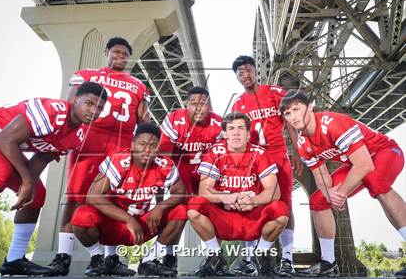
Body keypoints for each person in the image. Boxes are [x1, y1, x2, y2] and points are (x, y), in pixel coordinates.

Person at [49, 36, 150, 276]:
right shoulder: (87, 74)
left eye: (125, 54)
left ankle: (109, 259)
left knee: (113, 198)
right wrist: (61, 137)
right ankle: (63, 255)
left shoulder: (138, 84)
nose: (121, 57)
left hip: (121, 143)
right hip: (90, 137)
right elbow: (70, 105)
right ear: (106, 52)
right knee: (75, 195)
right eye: (116, 52)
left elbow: (143, 118)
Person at [280, 90, 406, 277]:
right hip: (356, 164)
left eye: (297, 109)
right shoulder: (303, 143)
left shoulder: (332, 124)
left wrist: (342, 193)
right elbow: (322, 177)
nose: (293, 116)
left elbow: (364, 164)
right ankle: (329, 263)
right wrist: (330, 194)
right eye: (287, 113)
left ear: (311, 107)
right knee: (318, 201)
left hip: (384, 152)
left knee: (376, 182)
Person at [0, 82, 107, 276]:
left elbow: (39, 160)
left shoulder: (76, 137)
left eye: (99, 108)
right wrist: (25, 181)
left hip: (2, 144)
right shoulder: (54, 110)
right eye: (89, 103)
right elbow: (4, 140)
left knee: (37, 194)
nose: (94, 110)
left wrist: (29, 185)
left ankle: (14, 259)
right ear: (75, 100)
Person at [71, 123, 187, 277]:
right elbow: (93, 196)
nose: (147, 150)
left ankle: (149, 261)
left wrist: (160, 207)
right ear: (132, 145)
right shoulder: (119, 161)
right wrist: (127, 219)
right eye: (142, 144)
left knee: (180, 211)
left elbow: (181, 192)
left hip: (142, 225)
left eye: (153, 146)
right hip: (113, 225)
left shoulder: (164, 164)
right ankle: (99, 259)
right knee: (82, 215)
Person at [187, 112, 290, 277]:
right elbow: (204, 189)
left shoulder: (259, 153)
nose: (236, 132)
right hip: (224, 217)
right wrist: (224, 197)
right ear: (225, 133)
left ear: (248, 134)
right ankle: (215, 256)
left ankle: (261, 253)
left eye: (241, 128)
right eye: (231, 128)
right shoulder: (215, 152)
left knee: (281, 210)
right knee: (194, 205)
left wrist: (253, 200)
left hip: (251, 217)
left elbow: (274, 191)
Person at [230, 55, 302, 276]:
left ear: (255, 71)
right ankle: (250, 260)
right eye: (240, 73)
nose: (245, 75)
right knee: (251, 205)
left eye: (248, 70)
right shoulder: (238, 103)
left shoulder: (274, 92)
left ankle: (287, 259)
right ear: (237, 77)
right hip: (254, 162)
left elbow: (290, 120)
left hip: (278, 156)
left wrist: (297, 150)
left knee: (285, 205)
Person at [158, 86, 223, 270]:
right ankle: (170, 257)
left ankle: (216, 258)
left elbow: (221, 159)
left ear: (209, 106)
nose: (198, 108)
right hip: (181, 167)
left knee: (212, 207)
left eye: (203, 104)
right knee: (178, 209)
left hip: (206, 168)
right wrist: (164, 191)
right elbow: (164, 156)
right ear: (186, 105)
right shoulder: (174, 119)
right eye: (193, 103)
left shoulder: (218, 124)